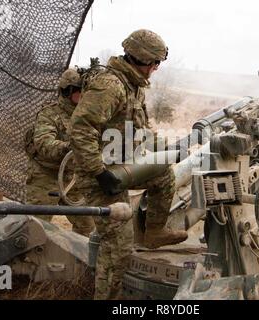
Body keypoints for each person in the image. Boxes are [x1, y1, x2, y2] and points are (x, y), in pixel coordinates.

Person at [70, 29, 188, 299]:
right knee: (118, 247)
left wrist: (166, 151)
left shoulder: (133, 87)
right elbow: (80, 129)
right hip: (98, 175)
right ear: (144, 61)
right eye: (155, 64)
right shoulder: (111, 85)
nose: (155, 70)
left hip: (120, 167)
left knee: (164, 176)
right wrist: (99, 173)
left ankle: (154, 232)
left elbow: (142, 132)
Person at [25, 66, 96, 236]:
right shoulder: (49, 114)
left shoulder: (89, 116)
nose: (86, 95)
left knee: (87, 225)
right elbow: (44, 144)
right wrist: (69, 147)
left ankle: (81, 258)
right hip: (45, 176)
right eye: (81, 91)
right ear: (67, 91)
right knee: (35, 227)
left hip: (73, 178)